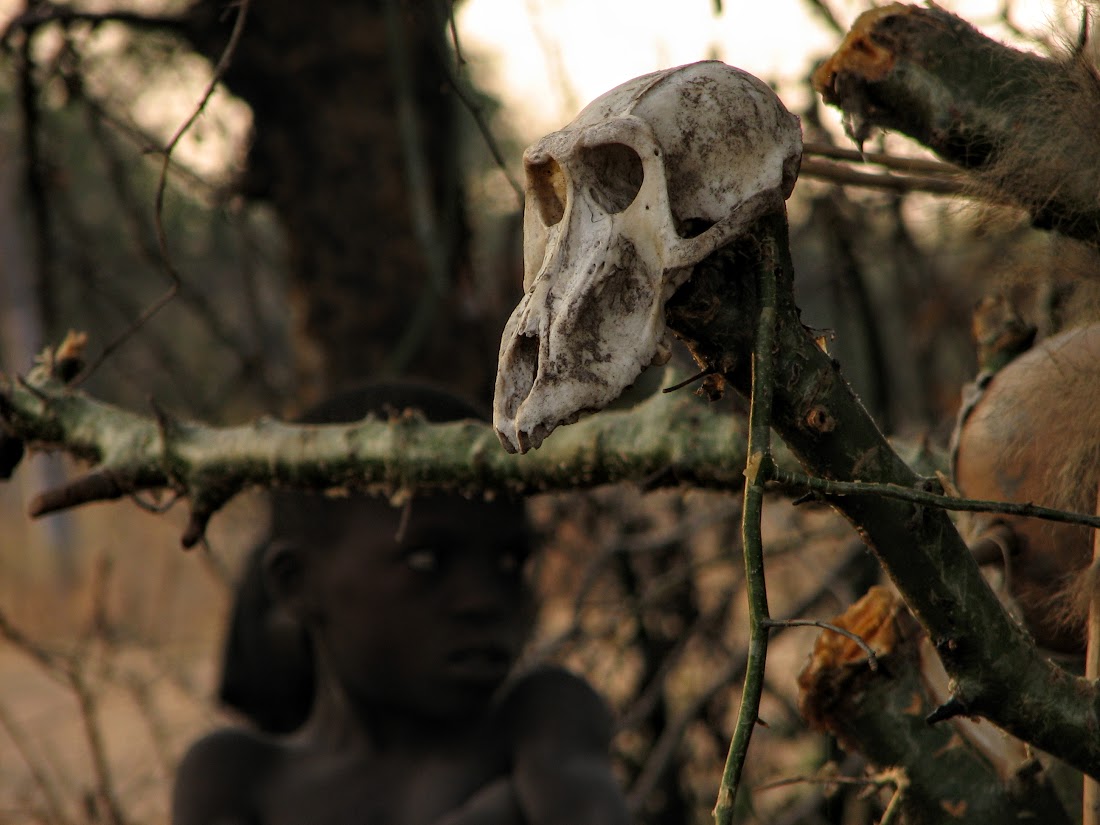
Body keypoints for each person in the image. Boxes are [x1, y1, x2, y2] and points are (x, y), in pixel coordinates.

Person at [173, 382, 629, 825]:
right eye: (427, 560)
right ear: (297, 584)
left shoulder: (543, 721)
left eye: (510, 562)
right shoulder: (234, 778)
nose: (483, 600)